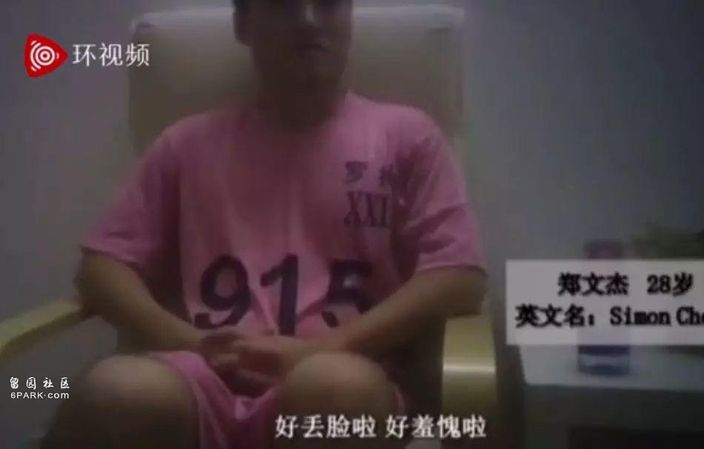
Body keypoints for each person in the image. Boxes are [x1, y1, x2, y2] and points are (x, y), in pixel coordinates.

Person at [42, 0, 486, 448]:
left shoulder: (407, 136)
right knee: (115, 392)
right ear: (244, 24)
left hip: (350, 368)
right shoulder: (186, 144)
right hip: (202, 379)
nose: (308, 19)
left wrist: (325, 348)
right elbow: (101, 269)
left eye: (328, 4)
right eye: (283, 5)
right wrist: (189, 343)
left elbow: (459, 276)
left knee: (334, 389)